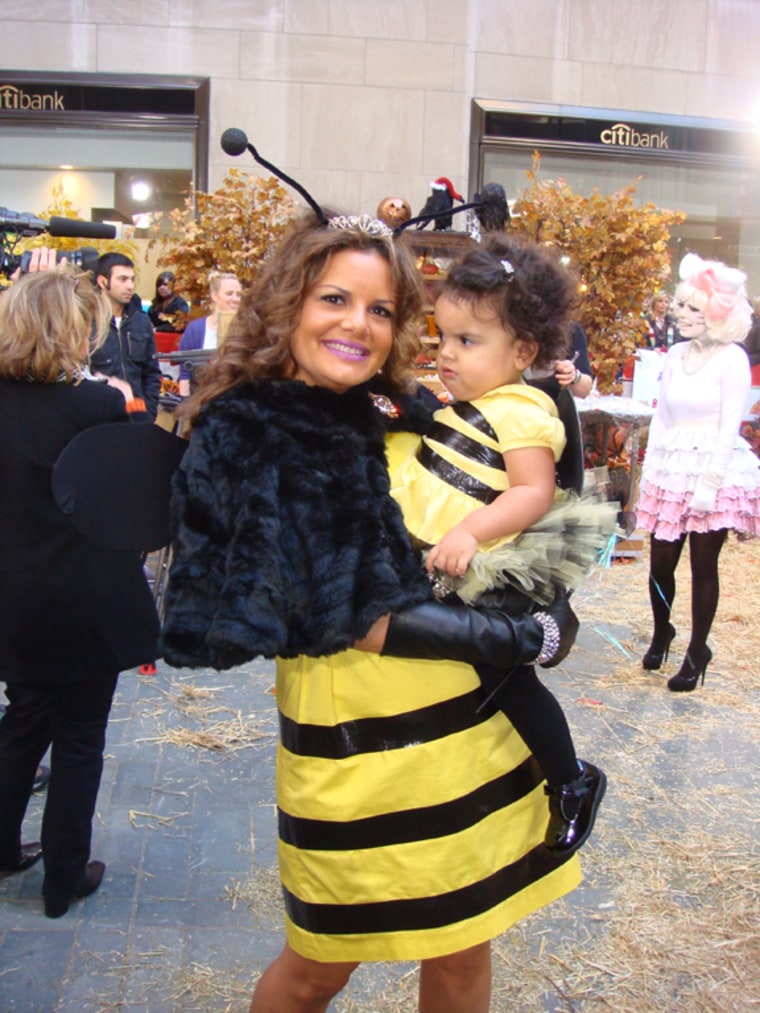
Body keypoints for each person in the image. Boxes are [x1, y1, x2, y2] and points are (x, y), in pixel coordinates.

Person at [161, 212, 582, 1013]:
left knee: (461, 950)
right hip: (355, 754)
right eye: (334, 298)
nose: (358, 323)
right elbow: (340, 612)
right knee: (319, 964)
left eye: (381, 308)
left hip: (469, 742)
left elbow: (523, 516)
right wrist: (517, 637)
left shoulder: (396, 408)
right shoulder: (252, 429)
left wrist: (546, 599)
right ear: (288, 302)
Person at [389, 236, 609, 855]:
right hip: (437, 557)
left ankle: (570, 780)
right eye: (442, 338)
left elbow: (533, 492)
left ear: (523, 351)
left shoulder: (521, 409)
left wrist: (467, 532)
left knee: (505, 676)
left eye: (467, 341)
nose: (447, 354)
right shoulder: (468, 403)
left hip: (486, 565)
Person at [0, 250, 160, 918]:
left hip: (15, 595)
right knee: (80, 740)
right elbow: (130, 499)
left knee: (21, 722)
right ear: (74, 330)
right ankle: (64, 878)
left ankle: (4, 849)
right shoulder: (99, 403)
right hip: (89, 597)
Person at [636, 253, 760, 691]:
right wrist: (649, 472)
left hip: (714, 469)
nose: (682, 314)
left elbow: (731, 425)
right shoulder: (674, 355)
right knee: (660, 563)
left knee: (704, 566)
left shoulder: (732, 359)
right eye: (681, 306)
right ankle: (662, 630)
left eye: (693, 307)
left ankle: (697, 650)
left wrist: (710, 481)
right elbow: (662, 416)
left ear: (716, 314)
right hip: (672, 466)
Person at [91, 252, 161, 420]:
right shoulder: (86, 322)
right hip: (97, 418)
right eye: (122, 279)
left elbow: (151, 372)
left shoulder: (141, 321)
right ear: (102, 281)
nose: (130, 286)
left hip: (136, 417)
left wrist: (148, 413)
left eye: (132, 279)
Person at [177, 271, 242, 396]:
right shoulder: (195, 329)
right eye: (229, 294)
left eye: (238, 294)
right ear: (214, 295)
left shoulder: (247, 329)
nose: (235, 299)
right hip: (202, 401)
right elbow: (185, 373)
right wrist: (184, 406)